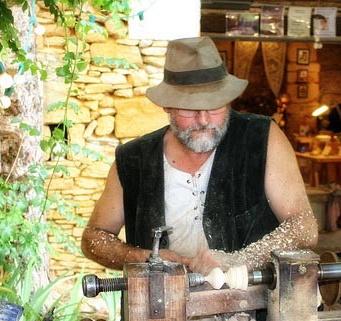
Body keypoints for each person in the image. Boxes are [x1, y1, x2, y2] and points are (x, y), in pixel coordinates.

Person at [81, 36, 318, 279]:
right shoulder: (134, 159)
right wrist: (145, 258)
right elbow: (94, 238)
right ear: (167, 106)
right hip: (162, 301)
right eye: (190, 108)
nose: (204, 120)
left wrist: (240, 261)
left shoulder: (261, 137)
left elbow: (303, 226)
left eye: (215, 107)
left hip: (254, 299)